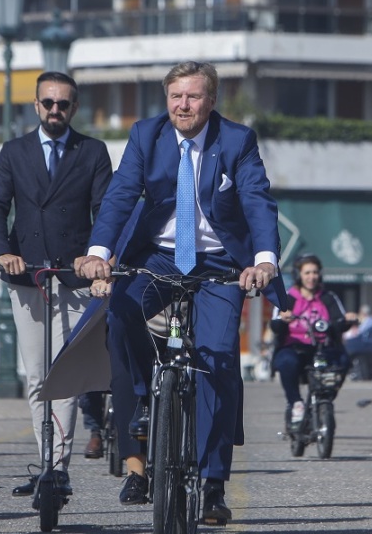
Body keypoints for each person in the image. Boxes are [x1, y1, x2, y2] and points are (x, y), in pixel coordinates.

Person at [77, 60, 289, 526]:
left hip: (219, 262)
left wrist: (265, 260)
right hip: (159, 255)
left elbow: (256, 200)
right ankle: (144, 397)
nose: (183, 105)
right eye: (176, 96)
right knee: (118, 312)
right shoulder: (146, 135)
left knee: (217, 357)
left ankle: (213, 485)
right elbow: (120, 194)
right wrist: (98, 251)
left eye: (193, 97)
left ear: (211, 101)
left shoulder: (236, 141)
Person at [0, 71, 113, 498]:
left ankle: (56, 469)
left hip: (74, 277)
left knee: (64, 375)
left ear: (74, 108)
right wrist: (2, 252)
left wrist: (99, 258)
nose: (55, 110)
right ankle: (47, 463)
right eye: (48, 103)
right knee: (37, 374)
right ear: (36, 105)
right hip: (26, 277)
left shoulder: (92, 152)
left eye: (63, 104)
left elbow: (105, 209)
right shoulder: (13, 151)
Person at [269, 254, 348, 431]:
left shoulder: (328, 297)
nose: (311, 277)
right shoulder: (288, 298)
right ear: (299, 274)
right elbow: (274, 323)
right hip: (294, 347)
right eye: (307, 273)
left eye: (314, 272)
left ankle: (325, 399)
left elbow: (340, 321)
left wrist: (347, 320)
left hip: (322, 348)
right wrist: (283, 320)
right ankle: (296, 403)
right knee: (286, 362)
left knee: (343, 361)